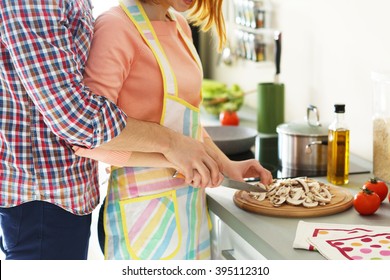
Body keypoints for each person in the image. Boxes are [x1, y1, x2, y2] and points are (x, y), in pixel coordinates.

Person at [0, 0, 224, 260]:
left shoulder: (178, 24)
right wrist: (173, 146)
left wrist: (218, 161)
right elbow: (77, 120)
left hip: (66, 192)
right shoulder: (47, 6)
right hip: (42, 195)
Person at [74, 0, 273, 260]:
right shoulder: (115, 27)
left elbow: (188, 122)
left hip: (190, 207)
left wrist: (225, 166)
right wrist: (173, 155)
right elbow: (89, 139)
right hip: (143, 217)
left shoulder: (180, 25)